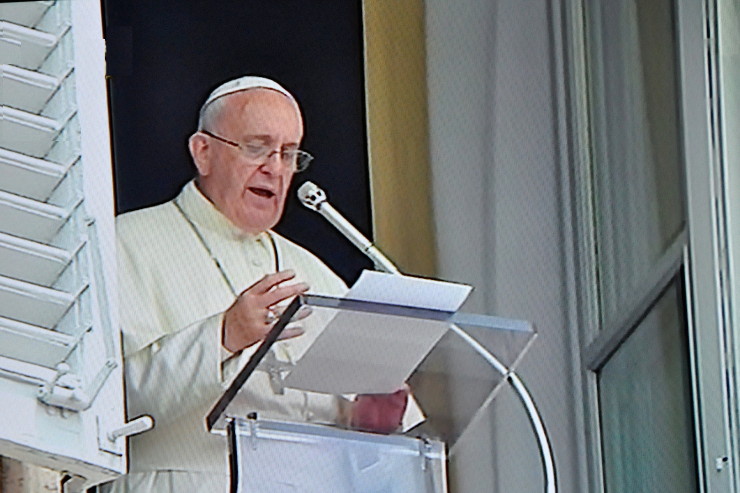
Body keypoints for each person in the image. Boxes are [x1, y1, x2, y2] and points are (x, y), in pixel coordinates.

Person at [104, 76, 411, 492]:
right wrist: (223, 336)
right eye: (256, 147)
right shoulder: (125, 244)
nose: (275, 168)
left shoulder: (314, 271)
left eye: (288, 154)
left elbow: (361, 439)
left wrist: (370, 424)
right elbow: (104, 400)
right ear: (203, 152)